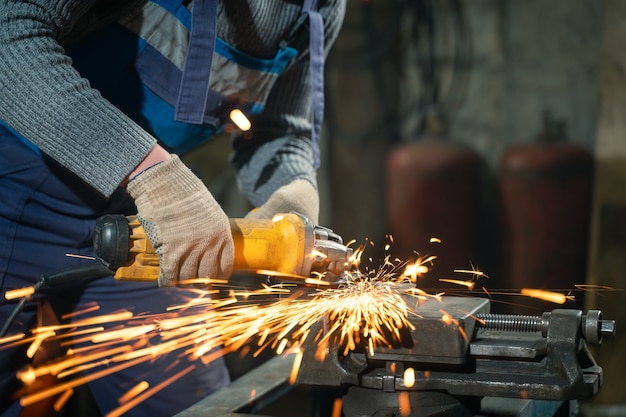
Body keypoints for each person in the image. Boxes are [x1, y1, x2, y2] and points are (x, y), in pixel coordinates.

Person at [0, 0, 346, 416]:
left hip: (145, 227)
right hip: (13, 182)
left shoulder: (319, 8)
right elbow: (9, 33)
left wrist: (292, 191)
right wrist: (154, 175)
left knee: (199, 405)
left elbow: (278, 131)